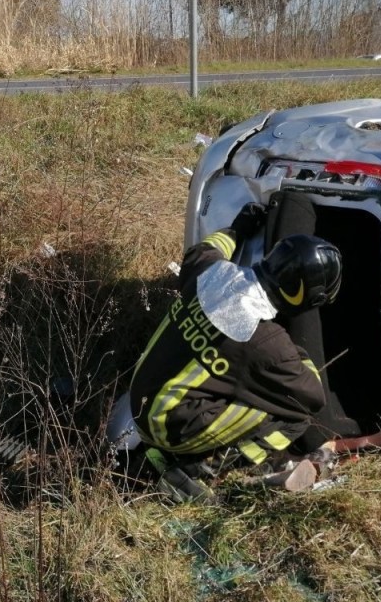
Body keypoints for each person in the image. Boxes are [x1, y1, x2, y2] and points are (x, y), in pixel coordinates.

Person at [128, 202, 344, 499]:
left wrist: (238, 228)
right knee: (295, 417)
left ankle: (164, 455)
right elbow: (312, 395)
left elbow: (205, 247)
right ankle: (199, 469)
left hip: (139, 401)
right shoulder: (268, 344)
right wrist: (298, 350)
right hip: (167, 427)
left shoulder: (209, 270)